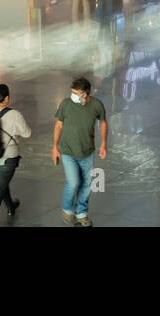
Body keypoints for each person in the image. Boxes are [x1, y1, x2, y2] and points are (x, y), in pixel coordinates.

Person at [52, 76, 108, 226]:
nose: (73, 96)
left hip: (87, 152)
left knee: (87, 184)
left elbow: (103, 122)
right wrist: (55, 147)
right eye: (72, 92)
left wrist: (103, 143)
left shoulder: (96, 105)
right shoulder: (65, 104)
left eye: (76, 93)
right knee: (74, 182)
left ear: (85, 94)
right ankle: (67, 210)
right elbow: (58, 125)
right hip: (67, 151)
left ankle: (81, 213)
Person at [0, 84, 32, 227]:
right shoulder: (15, 115)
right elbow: (27, 133)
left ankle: (11, 206)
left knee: (0, 182)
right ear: (7, 98)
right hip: (7, 160)